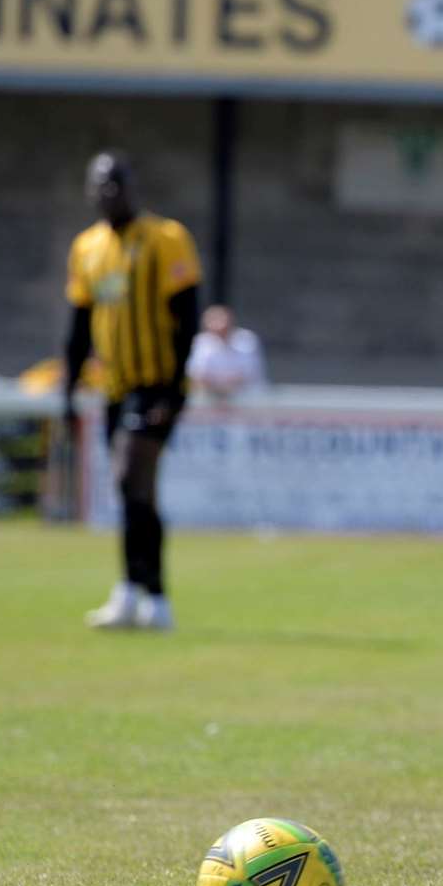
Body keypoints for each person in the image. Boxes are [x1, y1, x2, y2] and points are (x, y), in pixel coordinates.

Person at [63, 151, 202, 631]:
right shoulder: (87, 249)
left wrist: (176, 389)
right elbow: (80, 325)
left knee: (129, 478)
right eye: (98, 185)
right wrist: (68, 389)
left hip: (156, 385)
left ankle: (139, 593)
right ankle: (148, 596)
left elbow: (188, 318)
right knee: (134, 493)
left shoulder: (166, 239)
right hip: (115, 388)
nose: (107, 194)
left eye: (115, 184)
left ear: (132, 188)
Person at [188, 305, 267, 400]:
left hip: (247, 399)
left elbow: (249, 373)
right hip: (210, 399)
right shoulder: (200, 342)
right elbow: (197, 375)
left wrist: (220, 384)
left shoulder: (246, 339)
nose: (219, 324)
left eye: (221, 319)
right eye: (213, 320)